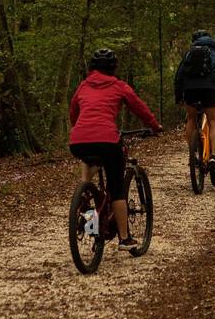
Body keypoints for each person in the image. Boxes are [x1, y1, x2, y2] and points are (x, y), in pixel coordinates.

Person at [69, 48, 162, 250]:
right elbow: (139, 107)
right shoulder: (119, 86)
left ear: (92, 68)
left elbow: (73, 110)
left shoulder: (83, 86)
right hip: (107, 140)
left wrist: (80, 128)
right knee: (116, 187)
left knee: (88, 171)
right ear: (113, 68)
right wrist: (155, 126)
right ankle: (124, 238)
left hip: (78, 140)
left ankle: (85, 199)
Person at [173, 29, 215, 176]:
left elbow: (178, 76)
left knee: (190, 119)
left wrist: (179, 97)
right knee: (213, 121)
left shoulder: (189, 54)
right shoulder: (213, 52)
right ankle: (213, 155)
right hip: (209, 88)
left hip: (190, 89)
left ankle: (192, 154)